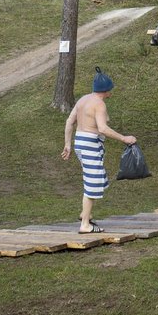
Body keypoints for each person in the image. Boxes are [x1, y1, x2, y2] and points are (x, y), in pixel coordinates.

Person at [60, 67, 136, 233]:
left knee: (97, 179)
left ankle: (84, 214)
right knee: (93, 183)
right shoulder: (99, 104)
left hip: (79, 142)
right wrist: (125, 138)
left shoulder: (83, 99)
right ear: (106, 90)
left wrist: (68, 144)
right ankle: (85, 224)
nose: (111, 93)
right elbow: (102, 128)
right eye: (111, 90)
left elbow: (69, 121)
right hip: (89, 143)